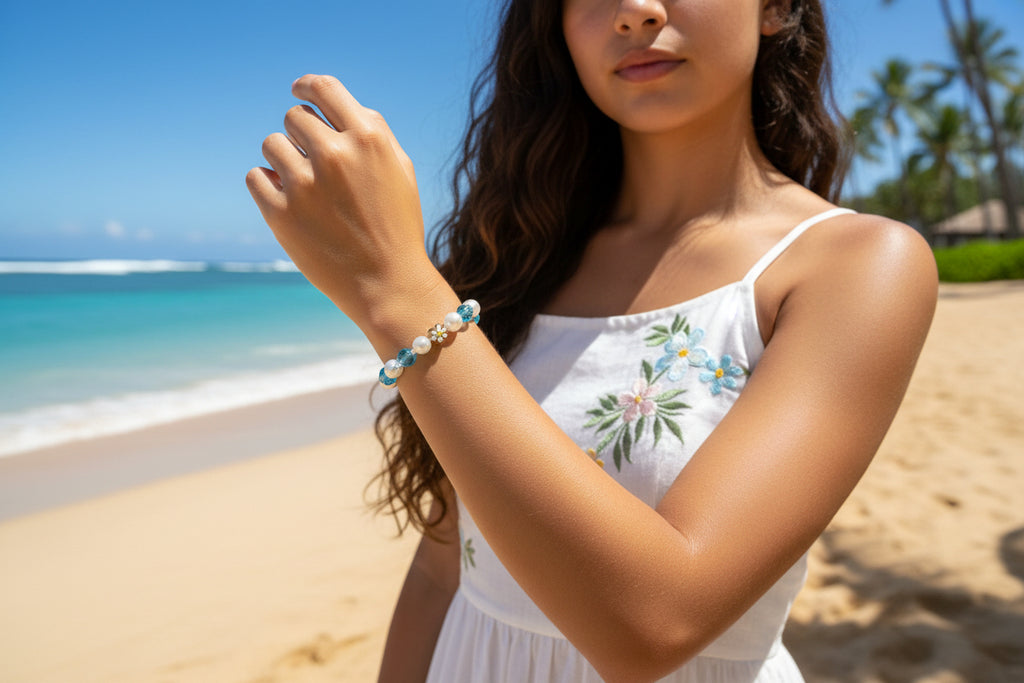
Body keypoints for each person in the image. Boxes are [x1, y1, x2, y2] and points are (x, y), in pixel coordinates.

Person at [246, 0, 937, 680]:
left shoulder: (854, 265)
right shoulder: (518, 257)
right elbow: (442, 563)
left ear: (777, 8)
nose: (633, 11)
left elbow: (654, 625)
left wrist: (394, 287)